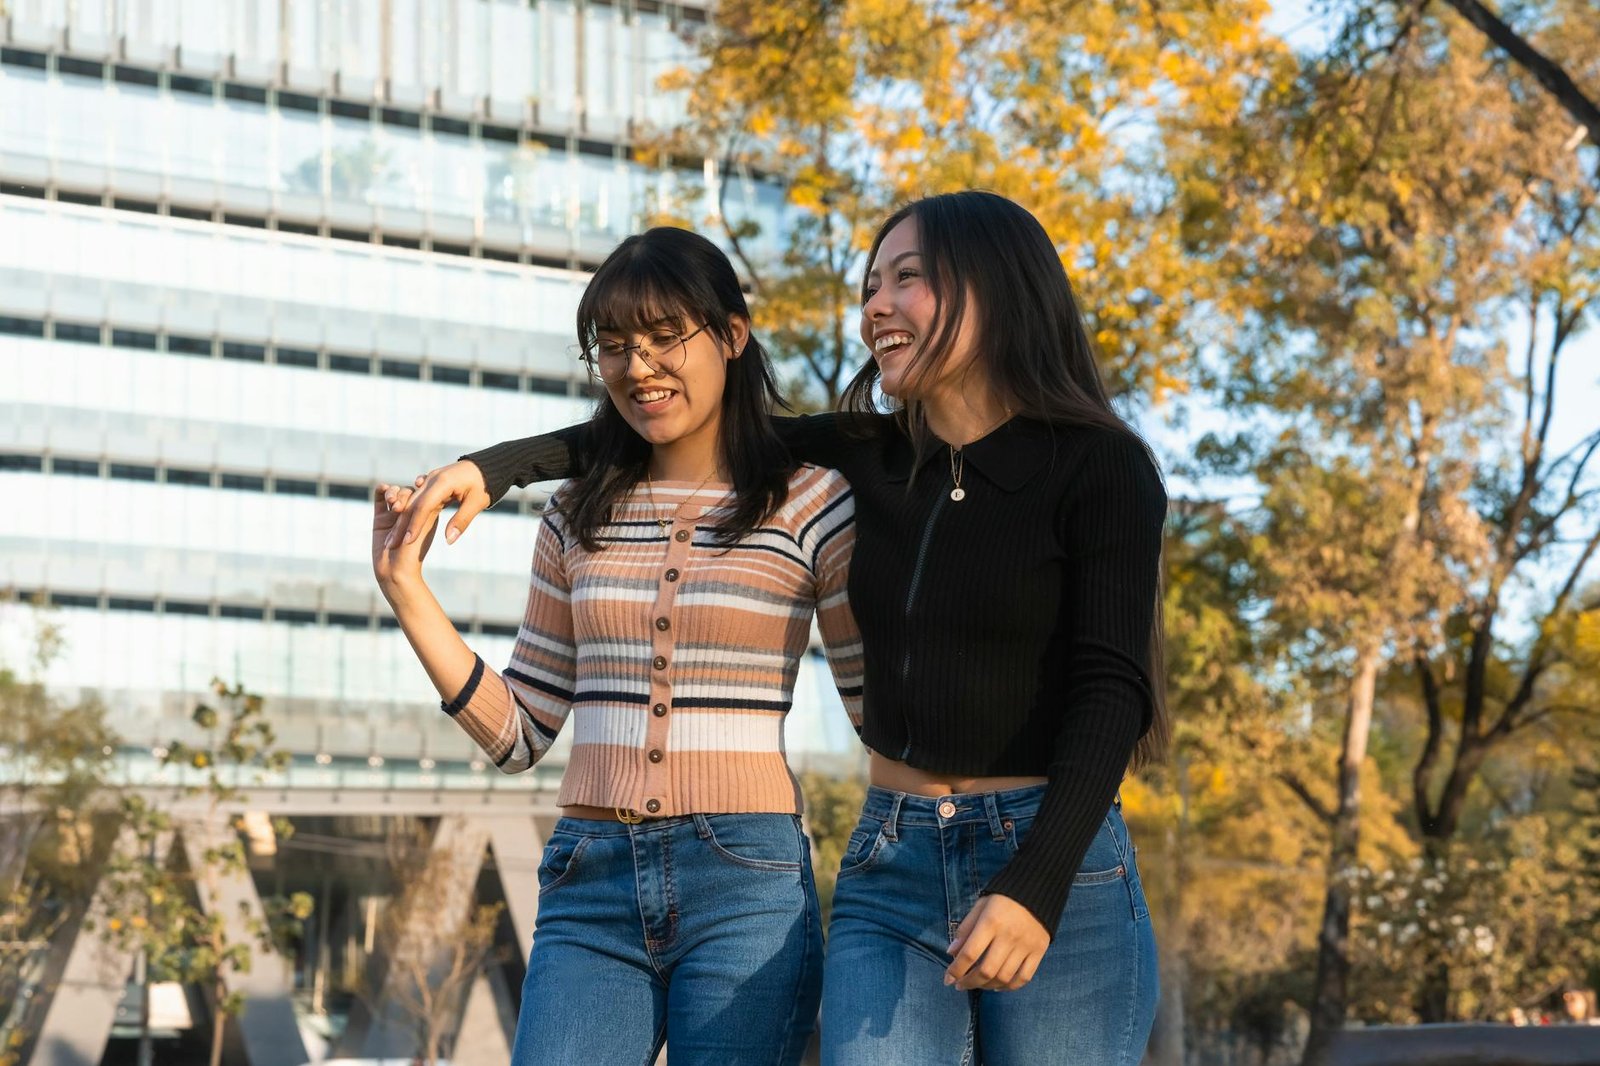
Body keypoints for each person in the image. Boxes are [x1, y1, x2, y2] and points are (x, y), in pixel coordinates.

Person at [386, 190, 1168, 1064]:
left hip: (1055, 853)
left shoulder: (1101, 466)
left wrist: (1036, 884)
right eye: (872, 284)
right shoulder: (866, 459)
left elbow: (1113, 693)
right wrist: (492, 470)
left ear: (997, 287)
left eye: (906, 280)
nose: (875, 306)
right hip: (892, 857)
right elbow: (672, 418)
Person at [369, 226, 862, 1066]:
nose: (639, 366)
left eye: (667, 336)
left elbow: (879, 711)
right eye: (614, 345)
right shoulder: (575, 512)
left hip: (746, 878)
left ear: (733, 337)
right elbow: (520, 733)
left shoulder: (814, 499)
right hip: (588, 877)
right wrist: (405, 590)